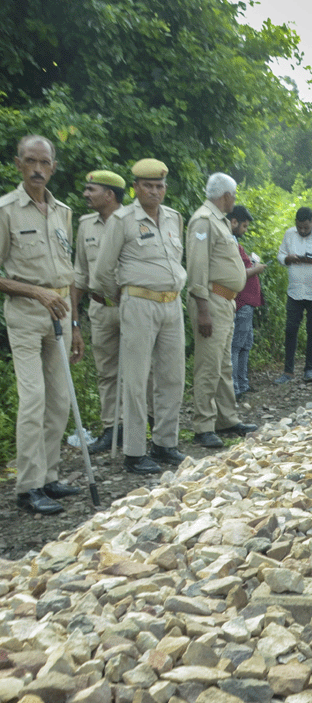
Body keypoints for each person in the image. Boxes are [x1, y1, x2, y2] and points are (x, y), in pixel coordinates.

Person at [0, 135, 83, 514]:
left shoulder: (63, 211)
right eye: (30, 161)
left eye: (44, 162)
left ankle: (49, 477)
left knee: (60, 400)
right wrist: (36, 293)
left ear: (53, 166)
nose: (37, 169)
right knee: (33, 400)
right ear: (18, 163)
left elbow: (70, 273)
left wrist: (77, 322)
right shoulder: (6, 210)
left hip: (61, 312)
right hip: (26, 314)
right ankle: (28, 487)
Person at [93, 158, 187, 474]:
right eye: (148, 185)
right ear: (135, 187)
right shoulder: (122, 220)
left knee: (172, 376)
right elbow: (104, 270)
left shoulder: (174, 218)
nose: (155, 191)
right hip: (139, 303)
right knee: (135, 378)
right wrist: (121, 296)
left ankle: (164, 443)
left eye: (160, 186)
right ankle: (134, 452)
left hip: (172, 304)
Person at [186, 173, 258, 448]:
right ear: (226, 196)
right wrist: (202, 308)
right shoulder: (204, 220)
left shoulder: (218, 221)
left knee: (224, 364)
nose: (235, 200)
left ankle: (225, 418)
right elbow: (197, 266)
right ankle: (203, 425)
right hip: (211, 301)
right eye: (234, 196)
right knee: (208, 365)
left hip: (226, 300)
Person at [72, 169, 126, 455]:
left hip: (132, 306)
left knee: (142, 370)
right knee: (106, 372)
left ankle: (143, 429)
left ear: (109, 194)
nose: (85, 194)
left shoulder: (132, 220)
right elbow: (79, 274)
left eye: (91, 190)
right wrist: (74, 322)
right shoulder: (85, 226)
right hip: (100, 308)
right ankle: (111, 430)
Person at [275, 207, 312, 384]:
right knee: (290, 330)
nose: (302, 231)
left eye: (306, 228)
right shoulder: (289, 234)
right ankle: (288, 371)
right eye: (299, 227)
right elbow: (280, 255)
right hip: (295, 291)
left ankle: (309, 369)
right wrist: (288, 259)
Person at [229, 205, 266, 401]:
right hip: (241, 301)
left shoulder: (235, 242)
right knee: (236, 345)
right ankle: (235, 388)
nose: (245, 230)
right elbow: (238, 274)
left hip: (248, 302)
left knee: (245, 344)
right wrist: (256, 269)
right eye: (243, 226)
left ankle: (242, 383)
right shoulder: (229, 243)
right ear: (233, 222)